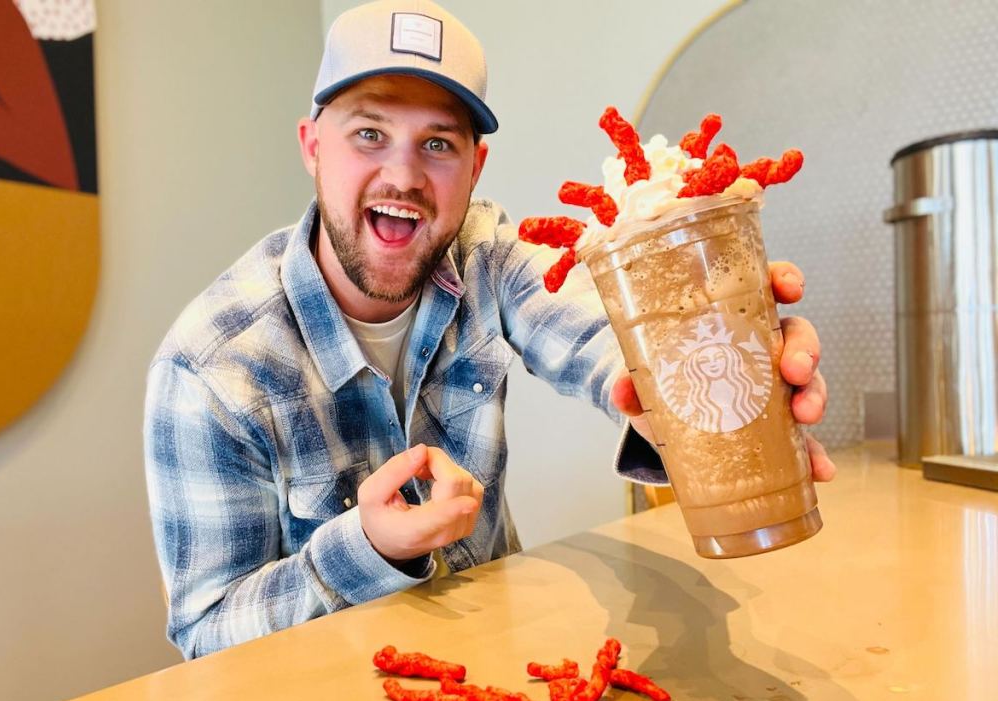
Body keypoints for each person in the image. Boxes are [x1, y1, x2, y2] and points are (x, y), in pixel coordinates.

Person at [144, 0, 834, 659]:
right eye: (369, 134)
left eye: (437, 143)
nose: (403, 175)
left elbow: (609, 348)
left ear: (475, 168)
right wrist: (368, 549)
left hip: (498, 686)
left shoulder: (484, 257)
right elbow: (206, 636)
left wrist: (701, 355)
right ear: (312, 146)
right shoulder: (210, 369)